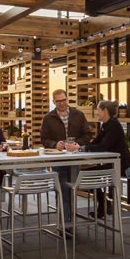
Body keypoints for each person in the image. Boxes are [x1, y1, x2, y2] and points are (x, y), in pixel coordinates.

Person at [41, 89, 92, 221]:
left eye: (64, 100)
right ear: (54, 102)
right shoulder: (48, 118)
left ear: (67, 99)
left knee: (73, 189)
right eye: (58, 101)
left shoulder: (78, 115)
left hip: (74, 158)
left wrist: (76, 144)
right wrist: (54, 144)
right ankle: (65, 223)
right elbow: (43, 139)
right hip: (58, 160)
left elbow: (88, 135)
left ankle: (70, 220)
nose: (62, 103)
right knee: (62, 190)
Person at [80, 100, 130, 218]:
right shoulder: (106, 125)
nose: (96, 113)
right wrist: (80, 147)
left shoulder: (114, 125)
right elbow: (96, 142)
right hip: (113, 163)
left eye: (98, 110)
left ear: (104, 111)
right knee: (85, 174)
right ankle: (104, 203)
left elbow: (104, 146)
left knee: (85, 175)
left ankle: (104, 204)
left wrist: (84, 148)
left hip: (122, 165)